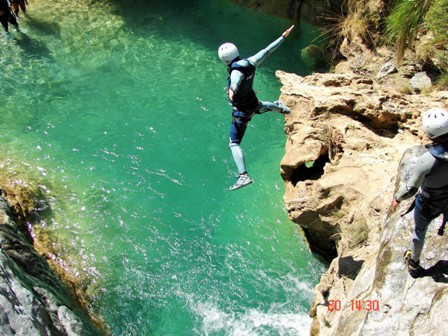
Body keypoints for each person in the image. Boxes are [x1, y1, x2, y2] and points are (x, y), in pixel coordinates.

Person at [218, 25, 295, 191]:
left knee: (234, 143)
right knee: (259, 107)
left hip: (242, 110)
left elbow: (236, 81)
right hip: (252, 101)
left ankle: (243, 176)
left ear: (224, 60)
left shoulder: (235, 72)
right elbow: (267, 51)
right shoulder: (250, 62)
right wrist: (282, 37)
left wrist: (232, 90)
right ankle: (283, 109)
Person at [391, 107, 448, 278]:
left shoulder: (426, 160)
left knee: (419, 231)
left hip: (429, 202)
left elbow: (410, 188)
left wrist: (397, 199)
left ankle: (414, 264)